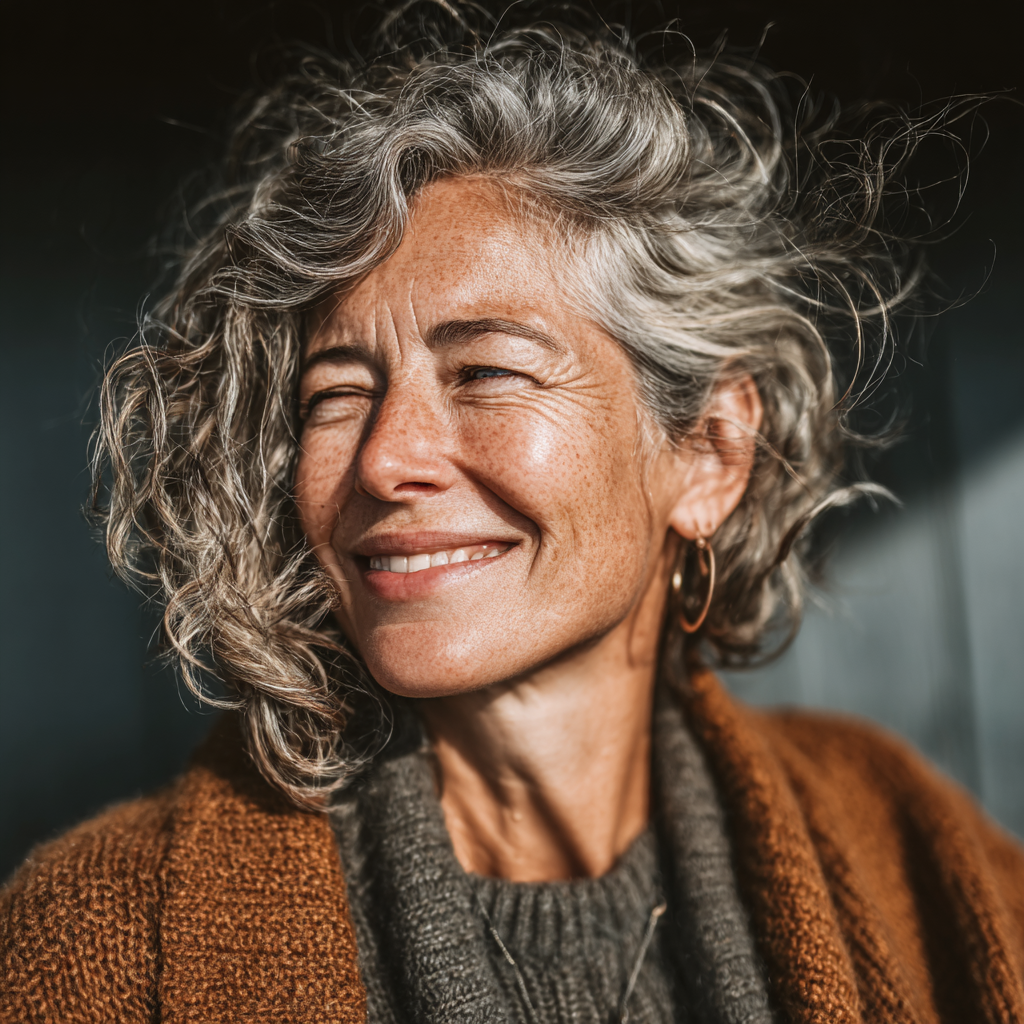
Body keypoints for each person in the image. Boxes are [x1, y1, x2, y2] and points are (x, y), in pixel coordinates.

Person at [3, 8, 1023, 1023]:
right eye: (336, 394)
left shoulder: (922, 855)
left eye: (487, 371)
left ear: (707, 453)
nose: (387, 459)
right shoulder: (94, 946)